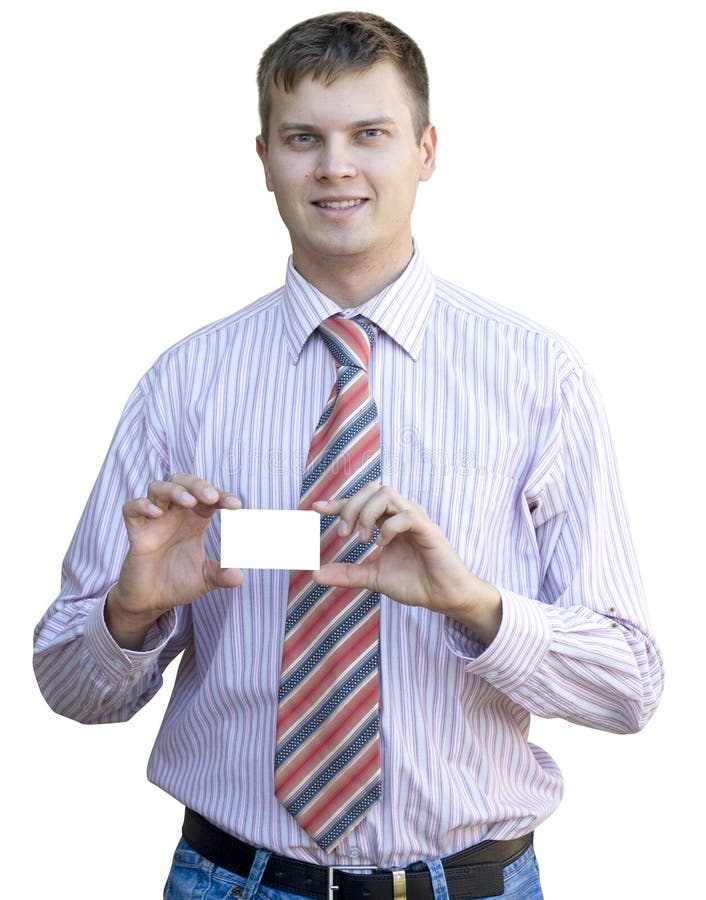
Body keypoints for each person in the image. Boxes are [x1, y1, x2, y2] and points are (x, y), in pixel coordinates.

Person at [33, 10, 664, 900]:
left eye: (370, 133)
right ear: (264, 160)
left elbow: (630, 687)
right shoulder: (184, 384)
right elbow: (69, 688)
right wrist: (131, 613)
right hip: (231, 882)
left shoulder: (538, 378)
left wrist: (475, 605)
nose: (335, 166)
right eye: (304, 138)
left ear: (426, 150)